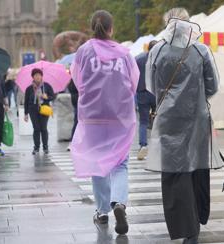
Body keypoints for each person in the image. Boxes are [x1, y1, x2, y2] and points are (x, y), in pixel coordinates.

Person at [146, 8, 221, 244]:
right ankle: (198, 217)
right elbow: (213, 85)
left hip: (169, 119)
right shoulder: (201, 50)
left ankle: (188, 229)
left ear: (167, 24)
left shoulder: (157, 50)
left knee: (175, 173)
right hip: (197, 116)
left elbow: (150, 85)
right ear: (189, 24)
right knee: (197, 168)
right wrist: (196, 97)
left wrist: (169, 100)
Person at [70, 10, 139, 235]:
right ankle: (119, 202)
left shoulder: (83, 51)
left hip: (93, 117)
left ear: (93, 28)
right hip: (120, 116)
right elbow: (134, 81)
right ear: (111, 29)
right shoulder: (124, 54)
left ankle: (102, 211)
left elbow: (77, 79)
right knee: (120, 163)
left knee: (97, 163)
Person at [24, 68, 55, 155]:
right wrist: (25, 114)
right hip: (33, 110)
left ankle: (45, 147)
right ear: (33, 77)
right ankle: (36, 147)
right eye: (35, 75)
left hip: (44, 109)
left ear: (41, 76)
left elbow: (53, 96)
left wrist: (47, 97)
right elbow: (26, 101)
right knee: (36, 129)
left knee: (44, 128)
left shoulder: (47, 86)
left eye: (39, 75)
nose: (37, 77)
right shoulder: (29, 89)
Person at [135, 40, 157, 160]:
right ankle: (157, 145)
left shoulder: (138, 59)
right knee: (158, 120)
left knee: (143, 121)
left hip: (142, 92)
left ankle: (143, 145)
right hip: (156, 92)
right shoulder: (160, 59)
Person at [67, 79, 78, 151]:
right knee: (76, 122)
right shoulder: (73, 79)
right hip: (78, 102)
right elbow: (71, 89)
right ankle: (72, 142)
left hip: (85, 102)